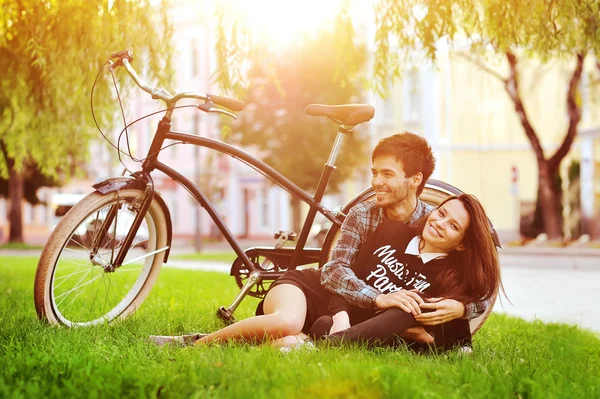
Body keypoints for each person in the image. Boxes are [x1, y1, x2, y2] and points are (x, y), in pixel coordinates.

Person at [148, 132, 490, 348]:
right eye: (374, 172)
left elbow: (477, 279)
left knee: (289, 344)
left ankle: (295, 342)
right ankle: (192, 344)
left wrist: (462, 308)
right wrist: (380, 299)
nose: (375, 182)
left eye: (387, 174)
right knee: (287, 322)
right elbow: (333, 271)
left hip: (341, 317)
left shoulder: (432, 225)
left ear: (415, 180)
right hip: (306, 287)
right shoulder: (363, 215)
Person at [310, 194, 501, 351]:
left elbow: (481, 298)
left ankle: (323, 346)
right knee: (324, 324)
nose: (440, 223)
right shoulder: (389, 232)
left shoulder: (454, 274)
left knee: (409, 305)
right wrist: (340, 314)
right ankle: (345, 340)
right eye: (441, 213)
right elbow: (349, 282)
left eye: (453, 226)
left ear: (461, 244)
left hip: (420, 341)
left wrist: (461, 309)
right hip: (371, 326)